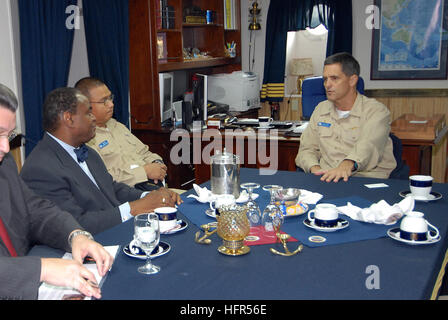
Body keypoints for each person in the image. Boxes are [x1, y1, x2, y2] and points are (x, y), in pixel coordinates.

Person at [0, 83, 113, 299]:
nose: (6, 147)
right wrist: (43, 269)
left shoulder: (4, 167)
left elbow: (35, 210)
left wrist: (75, 235)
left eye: (9, 134)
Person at [20, 87, 182, 235]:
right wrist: (134, 209)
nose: (93, 119)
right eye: (88, 113)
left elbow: (113, 188)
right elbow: (75, 224)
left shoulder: (88, 152)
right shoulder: (41, 168)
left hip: (118, 229)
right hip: (88, 248)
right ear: (68, 119)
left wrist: (150, 196)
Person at [295, 52, 396, 182]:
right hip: (326, 178)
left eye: (334, 78)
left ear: (352, 80)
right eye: (325, 79)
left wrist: (347, 164)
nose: (327, 85)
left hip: (365, 179)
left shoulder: (376, 111)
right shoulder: (321, 109)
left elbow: (368, 146)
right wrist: (314, 168)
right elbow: (307, 149)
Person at [74, 77, 169, 192]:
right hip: (126, 196)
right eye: (104, 101)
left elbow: (144, 152)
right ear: (85, 105)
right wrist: (145, 172)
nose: (111, 104)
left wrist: (157, 164)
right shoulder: (85, 138)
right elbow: (102, 178)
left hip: (154, 187)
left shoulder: (117, 126)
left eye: (110, 98)